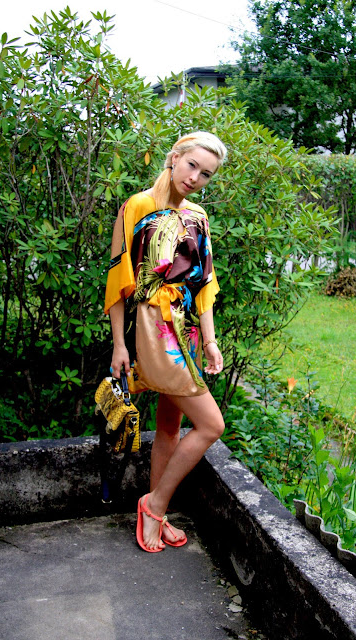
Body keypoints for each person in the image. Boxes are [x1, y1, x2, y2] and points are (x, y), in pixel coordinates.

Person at [104, 131, 227, 553]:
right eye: (192, 165)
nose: (195, 178)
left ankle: (158, 513)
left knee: (170, 428)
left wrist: (209, 341)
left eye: (206, 174)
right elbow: (119, 281)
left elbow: (204, 282)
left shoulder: (198, 216)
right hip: (153, 328)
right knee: (212, 425)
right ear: (174, 157)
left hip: (185, 328)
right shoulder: (138, 206)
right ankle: (153, 505)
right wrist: (120, 345)